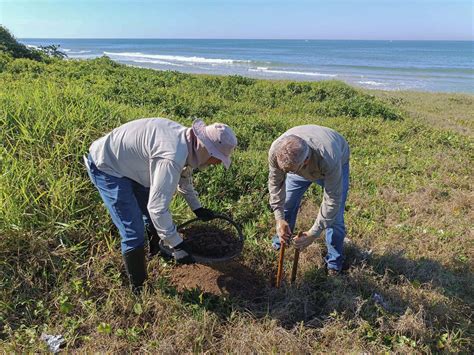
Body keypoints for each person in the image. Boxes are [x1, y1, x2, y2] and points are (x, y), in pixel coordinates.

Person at [84, 117, 238, 291]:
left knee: (151, 216)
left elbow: (184, 177)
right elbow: (157, 208)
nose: (217, 163)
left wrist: (197, 208)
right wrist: (177, 244)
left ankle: (156, 252)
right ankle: (140, 289)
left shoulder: (187, 143)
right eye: (217, 158)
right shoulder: (171, 156)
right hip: (108, 166)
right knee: (133, 231)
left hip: (133, 165)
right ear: (206, 149)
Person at [268, 125, 350, 275]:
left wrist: (313, 233)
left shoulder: (329, 158)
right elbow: (276, 184)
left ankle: (334, 262)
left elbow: (332, 200)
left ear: (305, 161)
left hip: (333, 164)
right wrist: (279, 218)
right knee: (287, 204)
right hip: (298, 161)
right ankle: (280, 240)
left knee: (335, 218)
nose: (288, 174)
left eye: (291, 171)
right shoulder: (276, 150)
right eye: (286, 170)